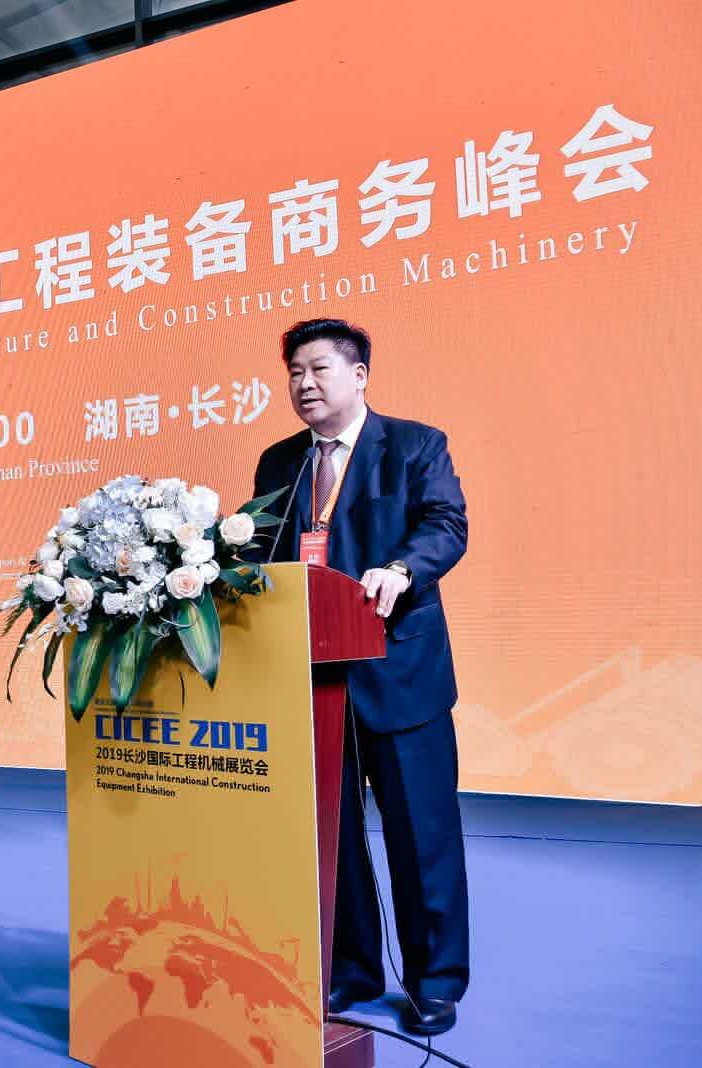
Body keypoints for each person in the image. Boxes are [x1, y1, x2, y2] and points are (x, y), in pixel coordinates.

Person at [250, 318, 469, 1037]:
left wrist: (401, 568)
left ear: (359, 374)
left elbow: (445, 524)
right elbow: (258, 550)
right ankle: (350, 971)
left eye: (318, 369)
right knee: (332, 842)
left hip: (398, 673)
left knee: (421, 836)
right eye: (294, 373)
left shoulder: (413, 446)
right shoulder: (280, 463)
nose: (304, 384)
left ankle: (435, 983)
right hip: (312, 682)